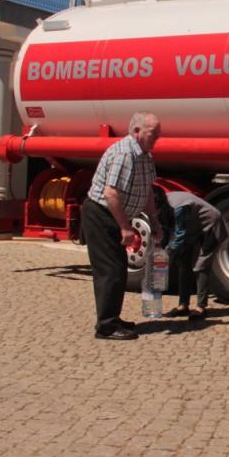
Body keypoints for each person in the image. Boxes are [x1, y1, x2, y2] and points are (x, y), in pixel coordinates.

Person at [81, 112, 161, 340]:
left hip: (114, 215)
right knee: (110, 270)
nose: (157, 138)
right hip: (101, 214)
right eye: (153, 133)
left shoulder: (145, 155)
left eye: (158, 134)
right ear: (136, 132)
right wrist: (125, 228)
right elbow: (111, 194)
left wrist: (154, 221)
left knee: (118, 270)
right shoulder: (125, 153)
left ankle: (112, 317)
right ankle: (106, 326)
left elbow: (146, 191)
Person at [156, 189, 228, 319]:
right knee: (183, 264)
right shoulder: (159, 207)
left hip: (209, 226)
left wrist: (166, 257)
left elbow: (178, 236)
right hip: (190, 226)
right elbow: (167, 232)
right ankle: (183, 305)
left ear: (160, 206)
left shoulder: (179, 207)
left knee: (200, 266)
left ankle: (201, 307)